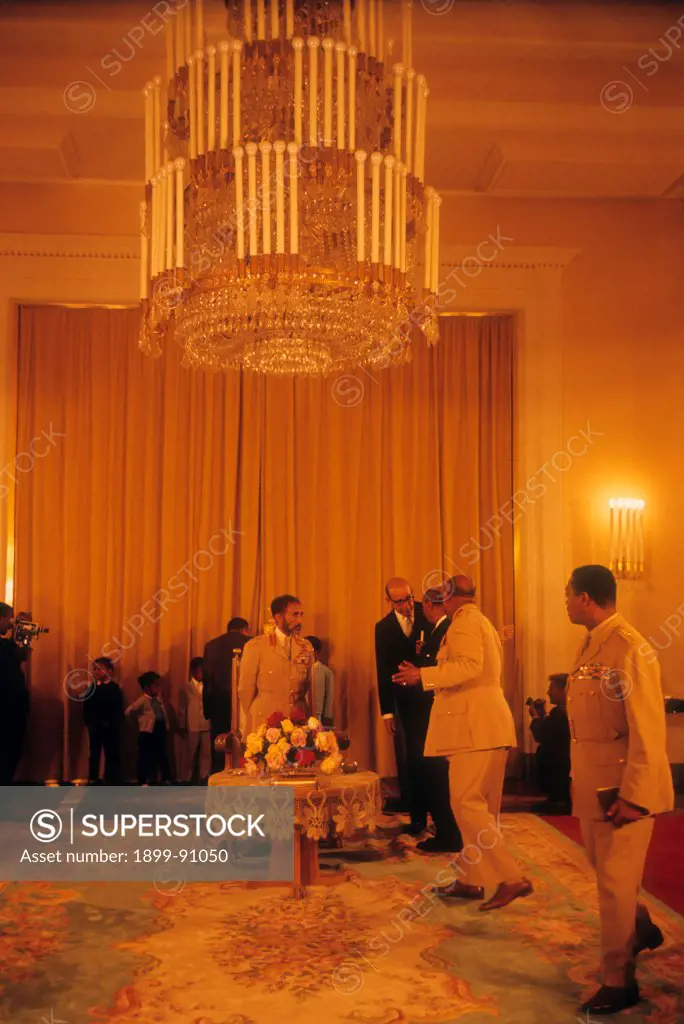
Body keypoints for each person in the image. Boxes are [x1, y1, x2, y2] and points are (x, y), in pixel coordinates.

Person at [565, 564, 674, 1016]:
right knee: (607, 875)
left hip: (621, 789)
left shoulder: (631, 647)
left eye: (568, 594)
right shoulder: (592, 643)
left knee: (612, 885)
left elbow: (647, 729)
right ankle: (640, 927)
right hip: (593, 784)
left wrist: (635, 795)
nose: (566, 602)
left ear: (587, 597)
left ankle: (619, 981)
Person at [393, 575, 531, 911]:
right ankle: (472, 880)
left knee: (466, 804)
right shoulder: (476, 621)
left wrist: (422, 676)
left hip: (476, 728)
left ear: (451, 596)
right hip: (485, 727)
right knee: (479, 806)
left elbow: (469, 666)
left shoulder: (464, 623)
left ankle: (511, 876)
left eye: (442, 594)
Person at [375, 577, 430, 822]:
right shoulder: (383, 627)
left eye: (409, 598)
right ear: (388, 601)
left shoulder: (427, 612)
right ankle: (412, 803)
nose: (407, 605)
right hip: (404, 700)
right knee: (410, 753)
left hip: (433, 694)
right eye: (400, 601)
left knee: (433, 753)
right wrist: (387, 711)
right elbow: (383, 669)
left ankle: (435, 802)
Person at [412, 587, 462, 853]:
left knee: (440, 778)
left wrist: (418, 674)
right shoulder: (438, 631)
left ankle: (449, 834)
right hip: (435, 713)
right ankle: (446, 830)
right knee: (436, 777)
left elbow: (445, 671)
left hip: (442, 714)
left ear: (432, 606)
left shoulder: (448, 630)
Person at [238, 595, 313, 736]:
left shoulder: (305, 647)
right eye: (294, 615)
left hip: (297, 727)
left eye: (301, 615)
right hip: (265, 726)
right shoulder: (256, 646)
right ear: (278, 617)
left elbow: (308, 687)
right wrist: (259, 713)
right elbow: (245, 690)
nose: (299, 620)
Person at [202, 616, 250, 771]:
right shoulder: (252, 643)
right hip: (245, 704)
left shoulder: (211, 646)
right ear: (244, 630)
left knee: (219, 745)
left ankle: (217, 777)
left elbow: (207, 679)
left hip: (218, 703)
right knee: (245, 745)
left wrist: (207, 710)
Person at [528, 672, 571, 814]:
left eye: (551, 688)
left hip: (562, 761)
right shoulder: (569, 709)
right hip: (571, 758)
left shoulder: (560, 712)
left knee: (545, 751)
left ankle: (558, 800)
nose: (548, 692)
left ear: (564, 690)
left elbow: (543, 735)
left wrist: (535, 717)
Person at [0, 602, 30, 784]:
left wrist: (25, 632)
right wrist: (24, 632)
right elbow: (22, 655)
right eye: (9, 618)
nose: (11, 623)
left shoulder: (5, 644)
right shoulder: (4, 646)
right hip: (7, 705)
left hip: (12, 703)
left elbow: (23, 655)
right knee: (9, 749)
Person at [126, 671, 171, 785]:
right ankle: (143, 780)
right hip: (147, 732)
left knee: (162, 754)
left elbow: (163, 713)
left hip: (159, 729)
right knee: (144, 756)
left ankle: (164, 778)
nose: (158, 688)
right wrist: (138, 724)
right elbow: (129, 712)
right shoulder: (142, 700)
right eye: (156, 686)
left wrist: (166, 725)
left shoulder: (159, 699)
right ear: (146, 688)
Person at [83, 656, 123, 784]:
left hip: (110, 726)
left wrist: (113, 722)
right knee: (94, 752)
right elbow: (86, 706)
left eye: (100, 669)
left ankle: (112, 777)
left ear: (110, 671)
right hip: (95, 726)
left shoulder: (114, 688)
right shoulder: (92, 688)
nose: (96, 671)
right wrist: (89, 721)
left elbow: (117, 708)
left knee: (112, 751)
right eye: (94, 669)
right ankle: (93, 777)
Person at [179, 656, 211, 784]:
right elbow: (182, 708)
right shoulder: (186, 688)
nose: (201, 674)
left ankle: (204, 776)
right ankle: (187, 777)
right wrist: (182, 724)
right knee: (190, 753)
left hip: (206, 723)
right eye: (199, 671)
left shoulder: (208, 686)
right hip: (192, 724)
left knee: (206, 753)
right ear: (193, 671)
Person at [306, 635, 334, 726]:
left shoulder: (326, 672)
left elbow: (329, 696)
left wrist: (327, 716)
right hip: (301, 712)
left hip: (318, 714)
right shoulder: (298, 669)